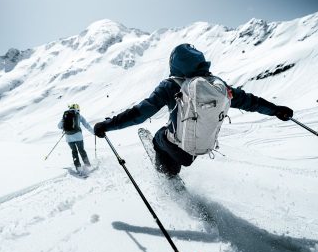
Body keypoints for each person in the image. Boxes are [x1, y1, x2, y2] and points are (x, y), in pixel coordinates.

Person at [94, 43, 293, 176]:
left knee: (159, 137)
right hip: (198, 149)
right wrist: (276, 110)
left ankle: (166, 175)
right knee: (182, 146)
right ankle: (173, 168)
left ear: (175, 64)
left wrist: (108, 125)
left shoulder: (170, 86)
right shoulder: (218, 86)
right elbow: (250, 101)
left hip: (177, 146)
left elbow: (139, 113)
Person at [58, 103, 94, 172]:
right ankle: (88, 165)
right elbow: (86, 125)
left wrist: (65, 127)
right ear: (77, 108)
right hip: (78, 136)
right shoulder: (78, 115)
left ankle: (78, 167)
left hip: (68, 138)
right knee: (82, 151)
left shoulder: (65, 115)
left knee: (74, 152)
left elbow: (59, 126)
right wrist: (93, 132)